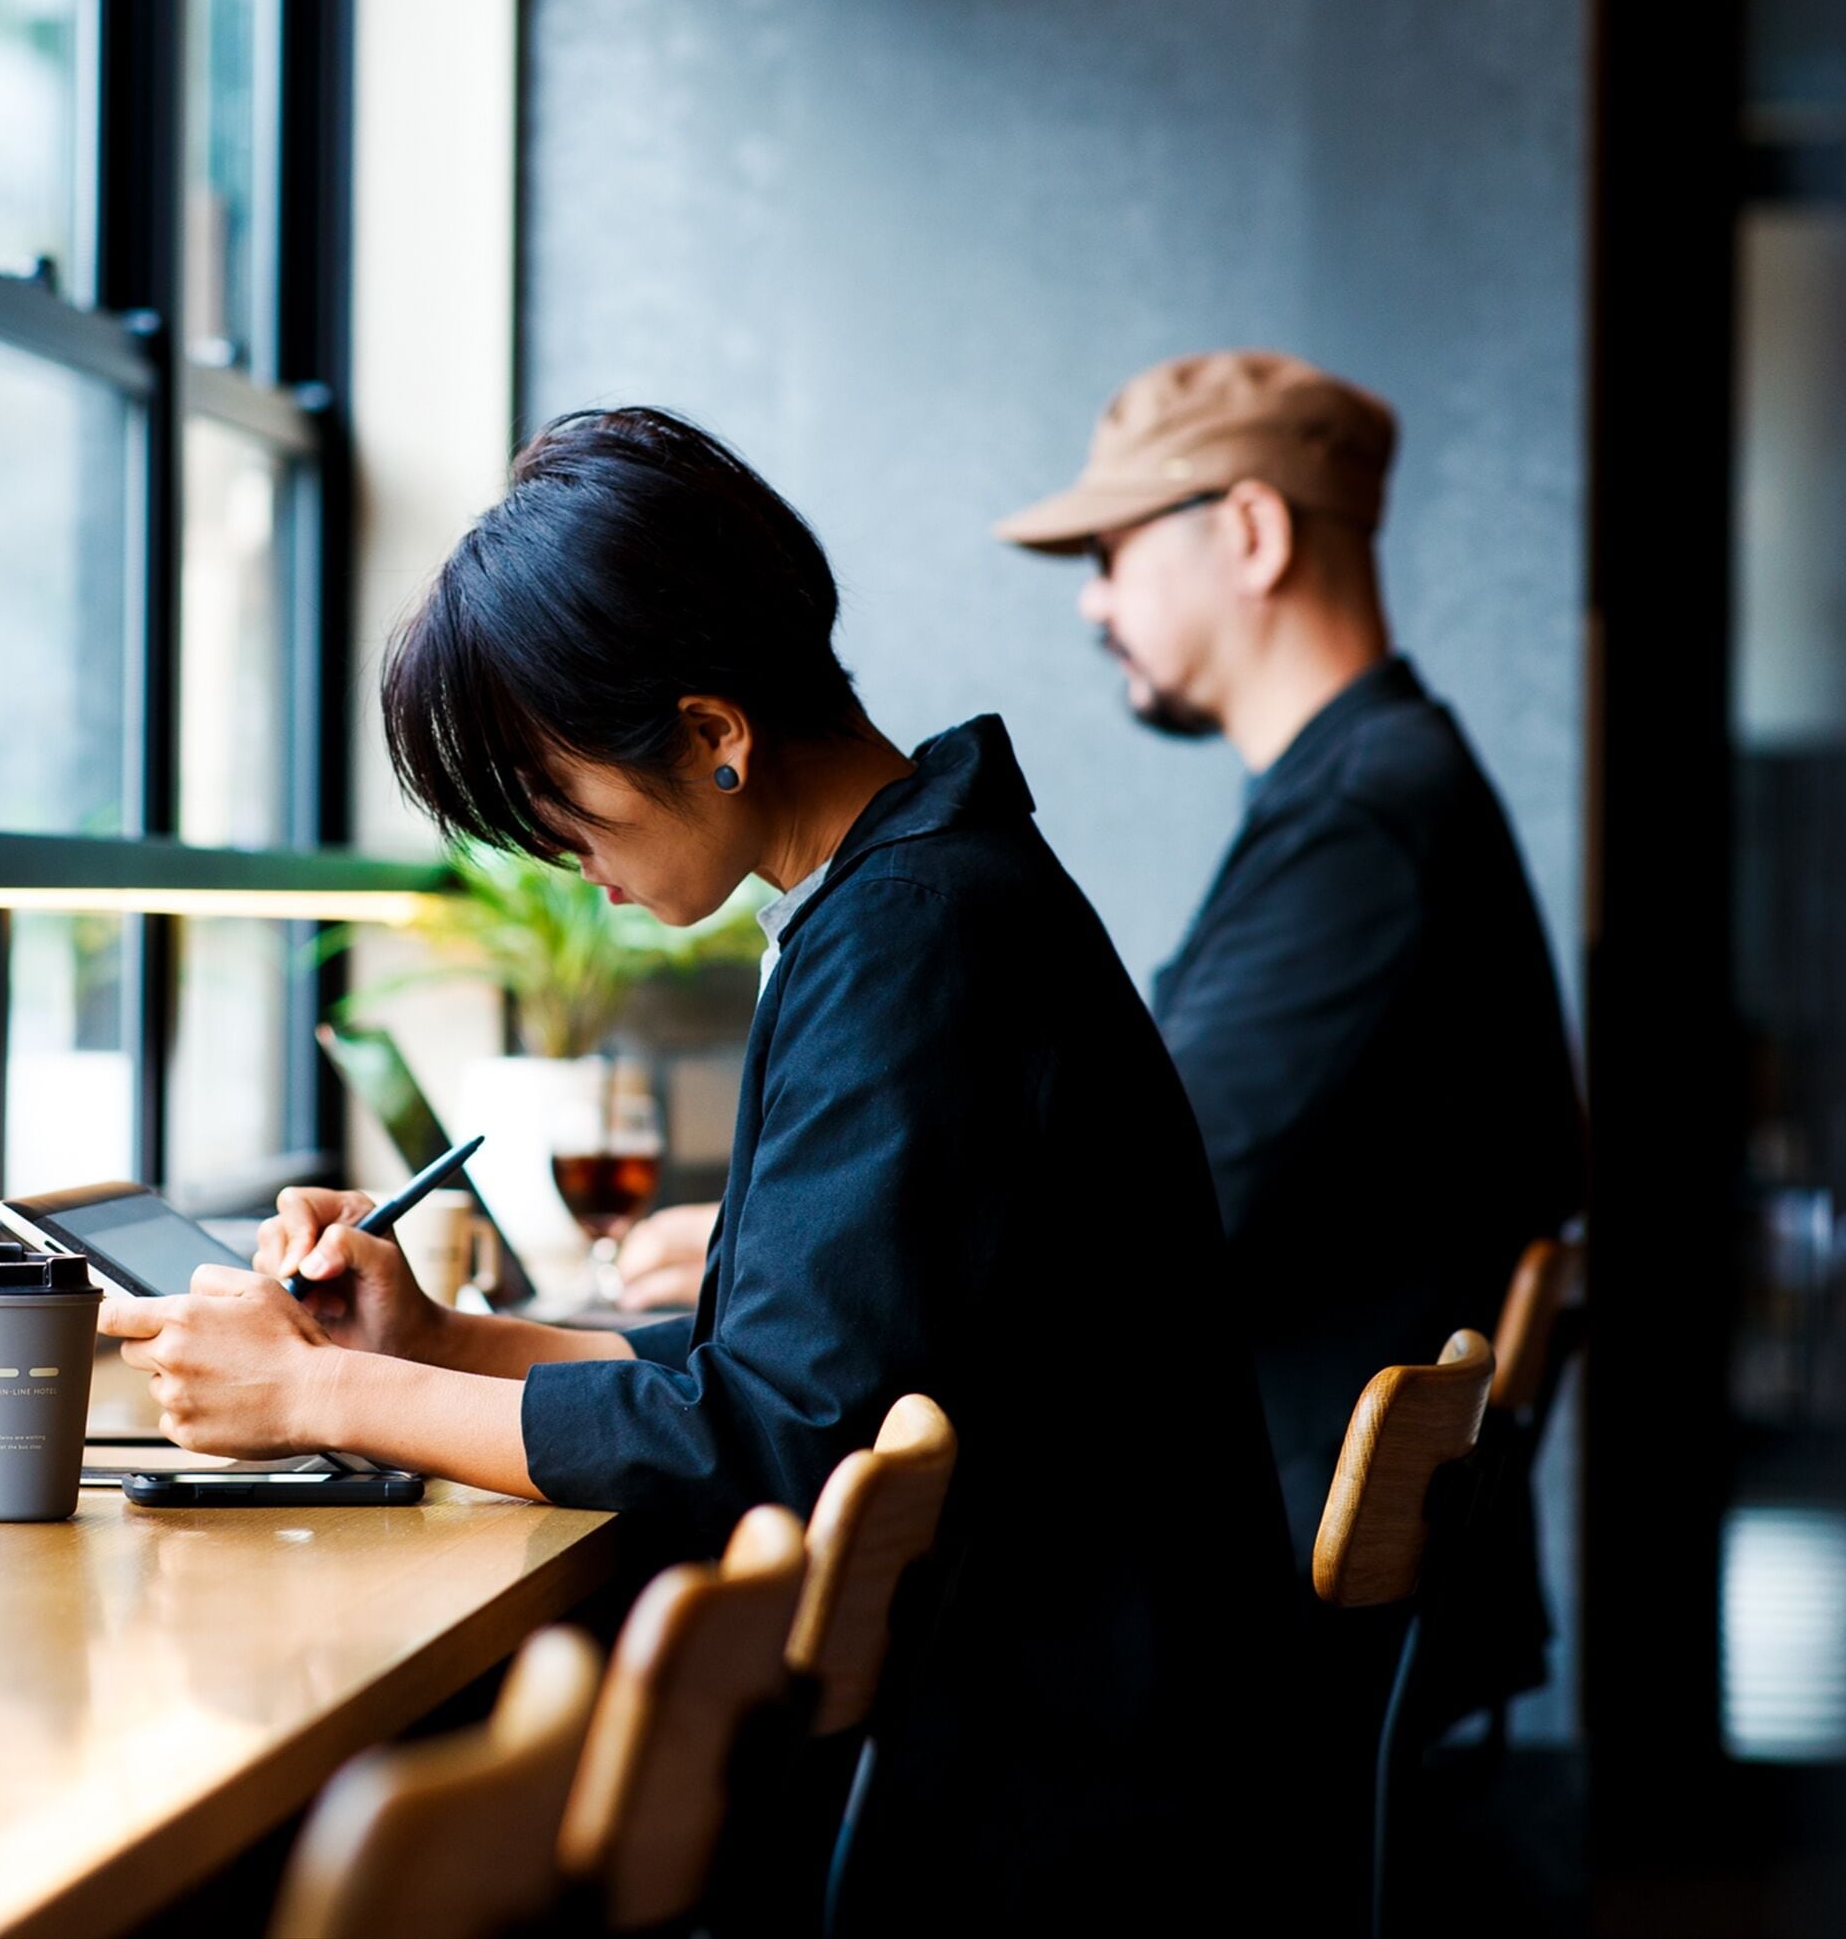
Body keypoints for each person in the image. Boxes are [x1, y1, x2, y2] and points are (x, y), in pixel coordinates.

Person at [99, 407, 1300, 1921]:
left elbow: (779, 1438)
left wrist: (320, 1394)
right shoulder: (913, 894)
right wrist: (437, 1342)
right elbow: (799, 1367)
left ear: (716, 734)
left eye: (566, 807)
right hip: (1093, 1731)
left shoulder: (915, 935)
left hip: (1065, 1802)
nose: (563, 861)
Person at [993, 349, 1583, 1595]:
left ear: (1252, 533)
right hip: (1287, 1535)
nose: (1093, 605)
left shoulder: (1361, 824)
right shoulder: (1385, 787)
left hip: (1239, 1578)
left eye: (1112, 555)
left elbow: (1143, 1203)